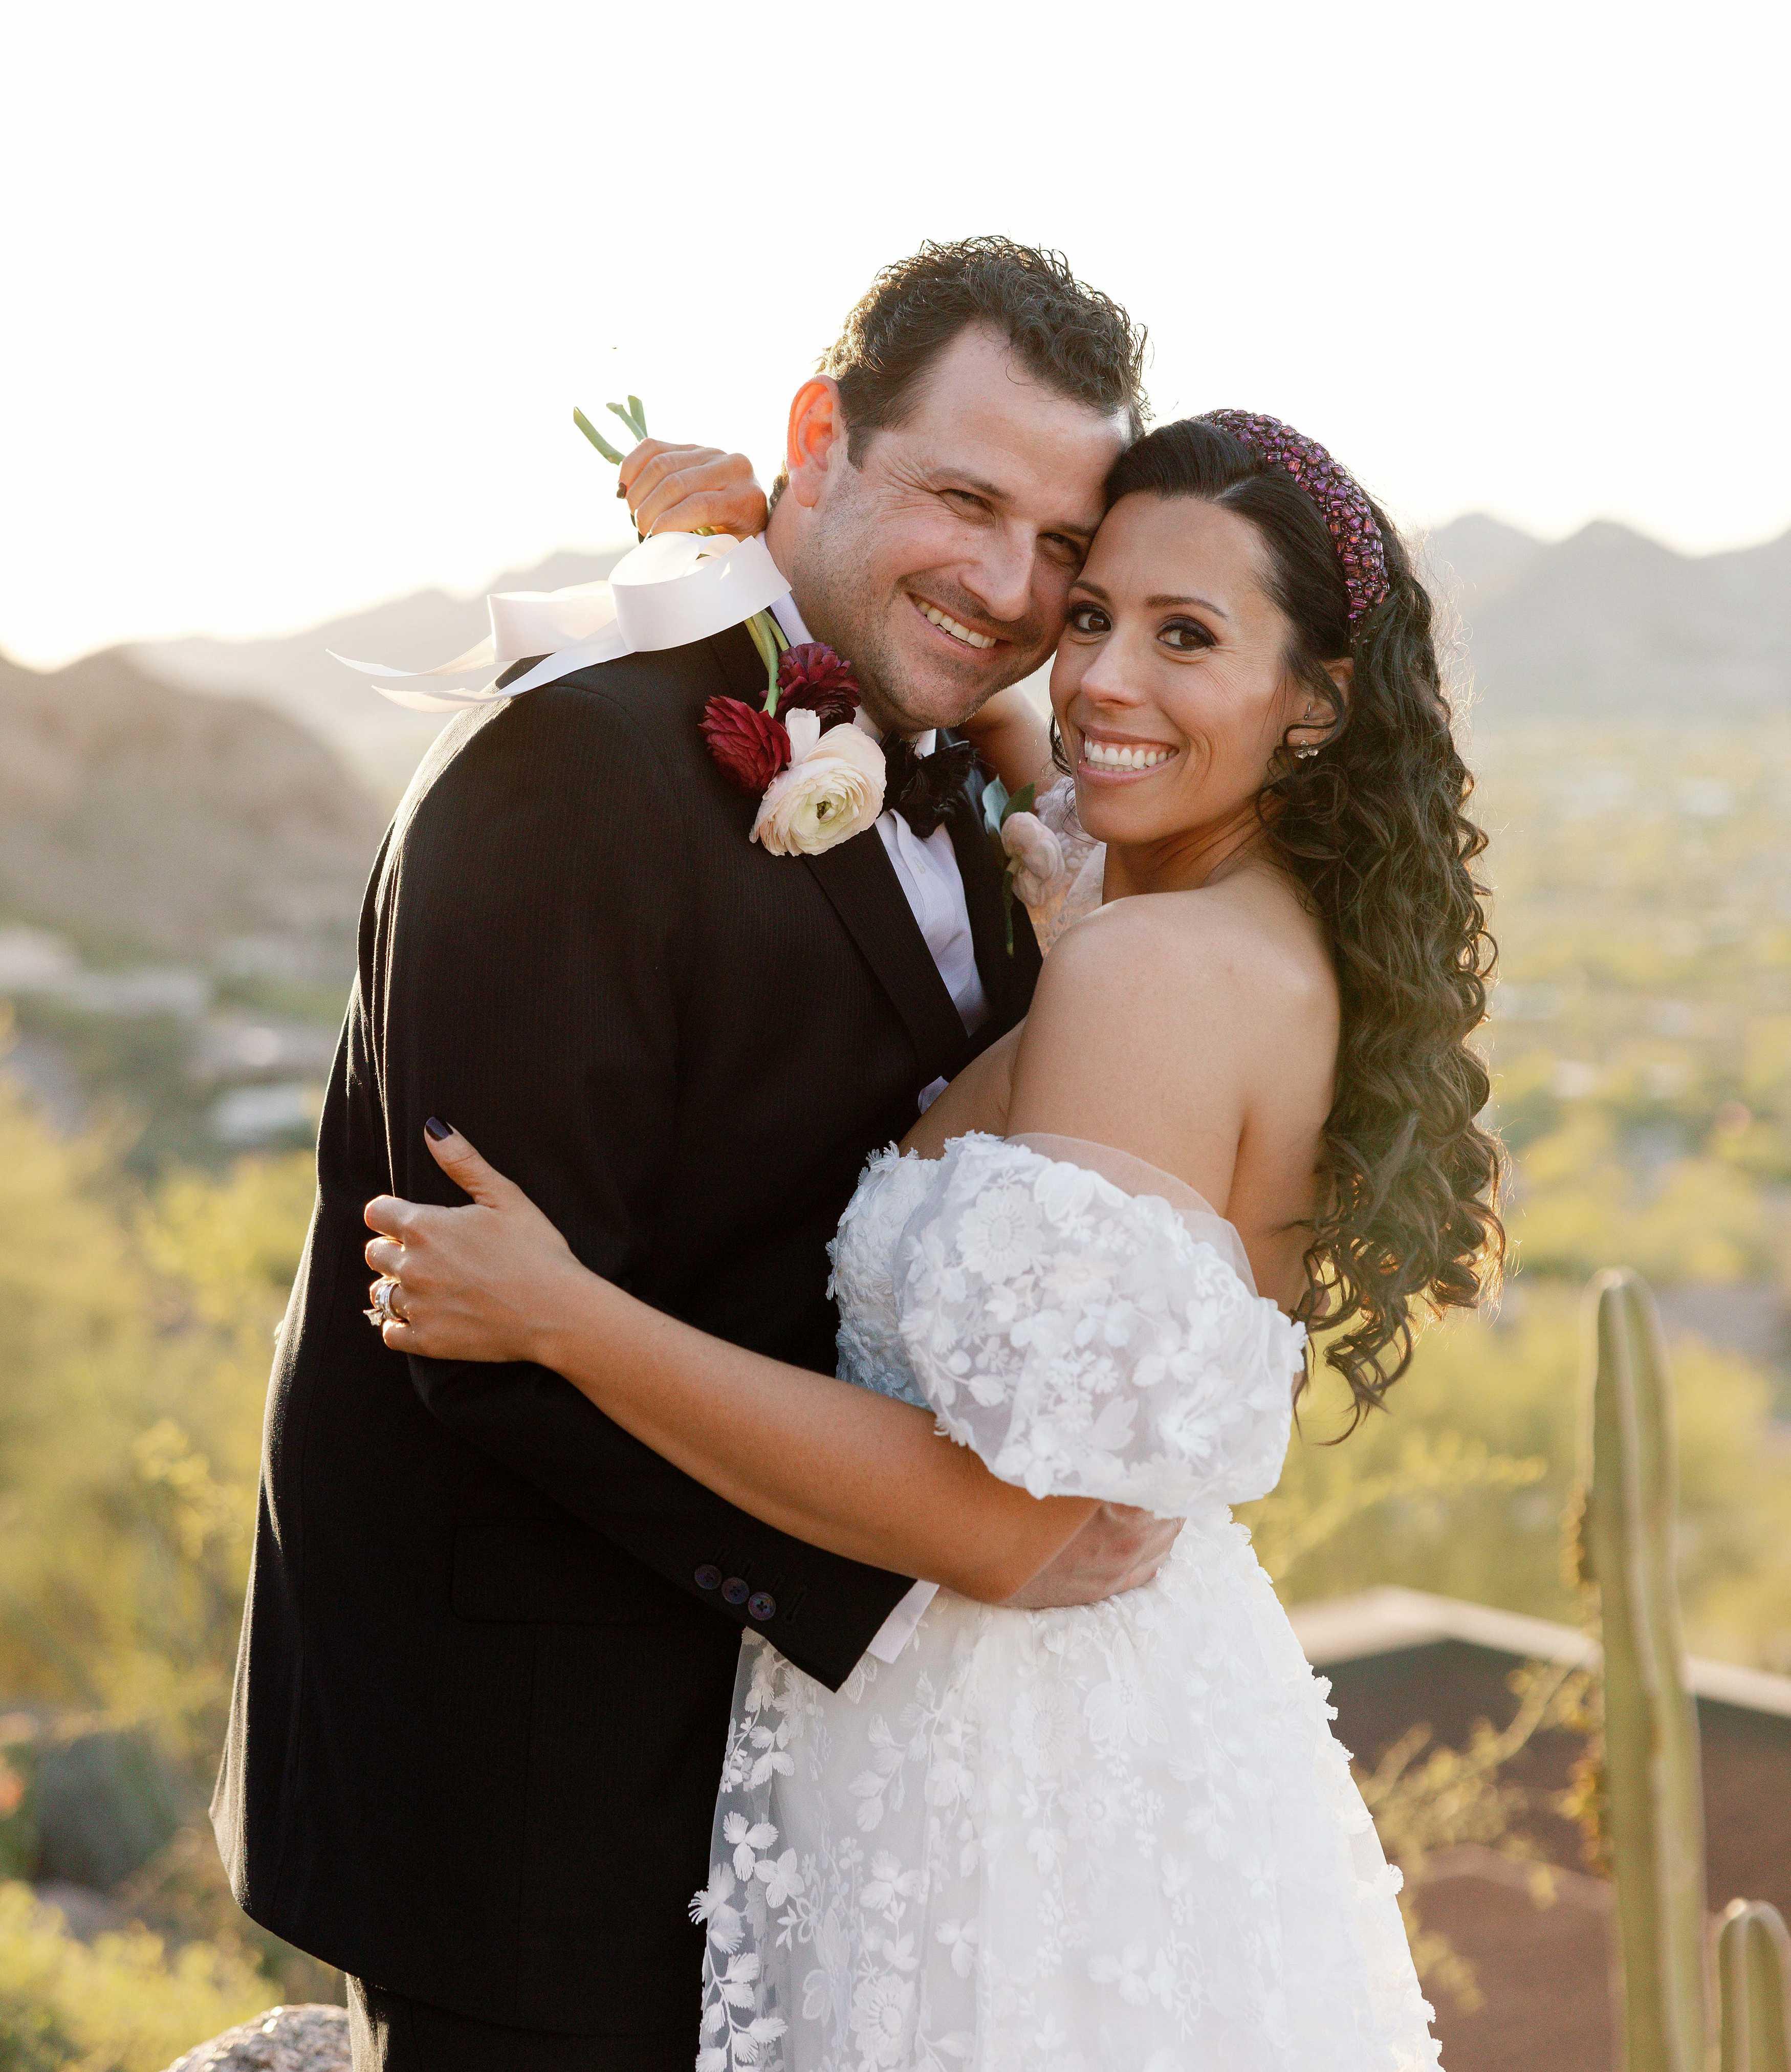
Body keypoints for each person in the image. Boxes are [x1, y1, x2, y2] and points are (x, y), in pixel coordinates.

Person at [362, 408, 1503, 2070]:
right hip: (1116, 1729)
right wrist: (750, 558)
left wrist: (564, 1317)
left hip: (1007, 1786)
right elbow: (1046, 745)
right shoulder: (1236, 917)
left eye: (1187, 636)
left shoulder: (1145, 973)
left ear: (1315, 699)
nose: (1103, 680)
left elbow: (997, 1528)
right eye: (1090, 614)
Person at [212, 238, 1171, 2072]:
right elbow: (473, 1330)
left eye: (1060, 543)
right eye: (964, 501)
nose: (1006, 586)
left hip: (802, 1779)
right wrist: (939, 1556)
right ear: (818, 439)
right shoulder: (565, 772)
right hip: (531, 1793)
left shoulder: (954, 762)